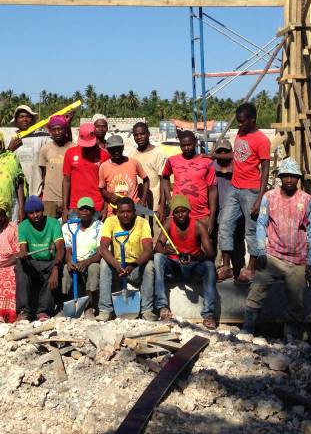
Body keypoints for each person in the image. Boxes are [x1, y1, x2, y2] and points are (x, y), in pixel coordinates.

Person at [240, 158, 311, 341]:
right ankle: (247, 328)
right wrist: (261, 250)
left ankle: (291, 335)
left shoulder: (307, 200)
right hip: (272, 256)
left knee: (296, 301)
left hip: (297, 259)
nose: (289, 179)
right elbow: (261, 224)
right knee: (256, 292)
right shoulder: (269, 197)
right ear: (280, 177)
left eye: (293, 176)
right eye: (285, 176)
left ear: (298, 178)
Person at [153, 195, 217, 329]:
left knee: (209, 266)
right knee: (158, 257)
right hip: (174, 266)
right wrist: (165, 250)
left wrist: (193, 257)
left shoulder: (199, 226)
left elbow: (211, 254)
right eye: (176, 212)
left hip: (193, 267)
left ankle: (208, 314)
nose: (180, 215)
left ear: (189, 211)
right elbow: (157, 248)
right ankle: (162, 307)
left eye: (183, 211)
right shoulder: (169, 223)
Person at [229, 103, 271, 282]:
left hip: (251, 190)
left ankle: (252, 267)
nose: (239, 125)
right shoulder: (240, 133)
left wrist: (259, 198)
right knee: (226, 224)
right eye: (238, 122)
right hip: (235, 188)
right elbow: (236, 156)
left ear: (252, 120)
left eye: (243, 122)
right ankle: (228, 265)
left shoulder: (262, 140)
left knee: (251, 230)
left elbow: (265, 169)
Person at [97, 197, 157, 321]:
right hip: (117, 268)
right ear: (116, 212)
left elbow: (148, 250)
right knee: (104, 263)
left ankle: (147, 310)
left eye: (129, 211)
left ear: (134, 212)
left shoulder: (142, 223)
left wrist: (134, 265)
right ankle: (105, 310)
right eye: (122, 212)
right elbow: (103, 248)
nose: (125, 215)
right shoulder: (110, 222)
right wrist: (116, 265)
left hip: (135, 267)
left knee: (149, 265)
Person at [16, 196, 65, 321]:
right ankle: (24, 311)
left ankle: (43, 311)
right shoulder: (23, 226)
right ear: (27, 214)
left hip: (49, 262)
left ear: (43, 210)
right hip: (33, 262)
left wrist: (55, 269)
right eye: (31, 213)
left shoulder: (53, 223)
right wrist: (23, 253)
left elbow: (60, 248)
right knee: (20, 263)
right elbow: (23, 248)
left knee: (55, 264)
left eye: (38, 211)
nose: (35, 215)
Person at [160, 130, 217, 225]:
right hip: (178, 214)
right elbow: (164, 177)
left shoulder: (207, 162)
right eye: (183, 145)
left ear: (195, 143)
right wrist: (169, 199)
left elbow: (212, 190)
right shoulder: (172, 161)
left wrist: (212, 217)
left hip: (201, 215)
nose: (186, 148)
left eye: (189, 145)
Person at [210, 137, 244, 283]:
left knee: (237, 240)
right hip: (217, 209)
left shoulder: (238, 166)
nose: (223, 154)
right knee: (218, 239)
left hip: (237, 210)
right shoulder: (212, 166)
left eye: (225, 151)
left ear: (231, 152)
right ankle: (221, 267)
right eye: (220, 151)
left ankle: (238, 268)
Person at [61, 196, 103, 315]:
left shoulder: (99, 226)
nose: (85, 211)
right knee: (65, 270)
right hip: (75, 261)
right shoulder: (69, 226)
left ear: (93, 211)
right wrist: (69, 260)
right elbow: (68, 249)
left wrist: (86, 262)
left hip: (91, 260)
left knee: (94, 269)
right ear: (77, 211)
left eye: (88, 209)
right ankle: (66, 305)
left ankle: (89, 306)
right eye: (82, 209)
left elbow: (100, 252)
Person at [62, 122, 110, 221]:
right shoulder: (70, 153)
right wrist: (65, 208)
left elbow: (107, 184)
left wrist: (105, 208)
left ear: (95, 138)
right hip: (75, 206)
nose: (87, 147)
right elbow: (66, 181)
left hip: (96, 206)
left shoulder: (104, 155)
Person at [98, 134, 149, 216]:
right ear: (108, 150)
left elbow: (146, 179)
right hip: (113, 212)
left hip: (134, 210)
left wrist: (143, 200)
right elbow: (101, 188)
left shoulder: (133, 162)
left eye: (119, 148)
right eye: (113, 149)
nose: (116, 151)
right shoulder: (104, 166)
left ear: (123, 148)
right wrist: (109, 195)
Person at [37, 115, 74, 219]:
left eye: (60, 129)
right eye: (54, 129)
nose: (57, 132)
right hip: (49, 198)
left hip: (69, 198)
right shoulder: (45, 149)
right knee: (49, 226)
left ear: (65, 129)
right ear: (50, 131)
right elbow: (43, 173)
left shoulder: (74, 148)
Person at [130, 122, 167, 214]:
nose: (139, 137)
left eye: (142, 134)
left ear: (148, 134)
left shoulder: (158, 153)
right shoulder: (131, 155)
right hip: (136, 205)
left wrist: (162, 205)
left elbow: (164, 180)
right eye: (136, 135)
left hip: (154, 206)